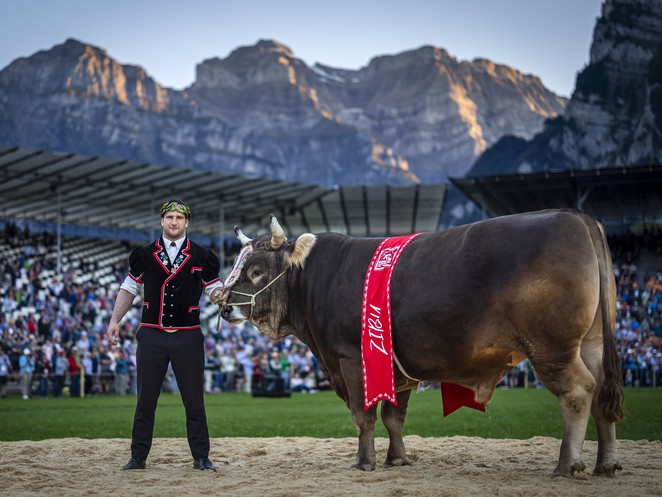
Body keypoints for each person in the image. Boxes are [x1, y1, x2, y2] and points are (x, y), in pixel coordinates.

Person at [108, 199, 224, 472]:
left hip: (188, 336)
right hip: (151, 334)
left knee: (194, 401)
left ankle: (201, 457)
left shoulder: (203, 256)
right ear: (162, 220)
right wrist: (115, 320)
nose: (174, 222)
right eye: (169, 217)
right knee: (145, 400)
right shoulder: (145, 254)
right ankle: (138, 456)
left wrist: (224, 297)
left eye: (179, 218)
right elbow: (129, 288)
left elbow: (213, 290)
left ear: (187, 222)